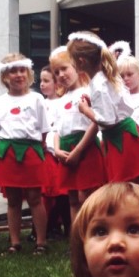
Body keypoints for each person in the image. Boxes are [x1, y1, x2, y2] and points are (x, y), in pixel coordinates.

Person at [67, 31, 139, 183]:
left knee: (124, 186)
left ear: (81, 61)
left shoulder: (98, 84)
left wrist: (86, 110)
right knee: (130, 184)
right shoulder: (106, 77)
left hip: (121, 137)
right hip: (124, 135)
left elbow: (107, 120)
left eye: (72, 60)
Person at [0, 54, 49, 255]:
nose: (18, 75)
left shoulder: (37, 98)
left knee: (34, 197)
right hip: (8, 153)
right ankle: (14, 242)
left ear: (28, 73)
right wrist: (1, 148)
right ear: (5, 76)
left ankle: (41, 242)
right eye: (13, 71)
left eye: (22, 70)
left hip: (31, 151)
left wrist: (38, 147)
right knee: (12, 200)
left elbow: (44, 129)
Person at [50, 45, 107, 224]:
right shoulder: (60, 100)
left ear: (77, 66)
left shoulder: (88, 92)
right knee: (73, 199)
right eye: (56, 72)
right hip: (66, 150)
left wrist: (79, 150)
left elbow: (95, 122)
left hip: (86, 147)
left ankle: (93, 234)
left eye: (64, 68)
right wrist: (57, 150)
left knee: (87, 197)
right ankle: (78, 238)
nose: (61, 75)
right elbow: (57, 128)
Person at [39, 64, 70, 240]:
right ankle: (47, 227)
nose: (42, 84)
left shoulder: (62, 102)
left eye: (46, 81)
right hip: (47, 152)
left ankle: (59, 226)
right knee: (48, 194)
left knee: (61, 194)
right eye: (41, 80)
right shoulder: (41, 102)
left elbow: (57, 128)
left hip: (58, 151)